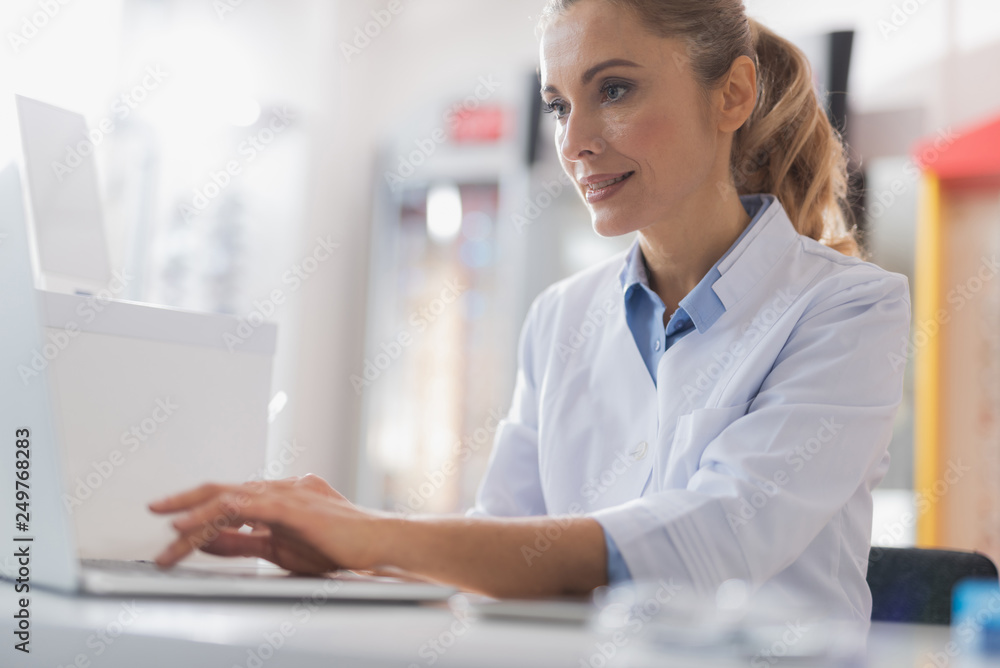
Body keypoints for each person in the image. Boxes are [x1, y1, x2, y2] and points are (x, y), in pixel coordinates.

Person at [150, 0, 910, 622]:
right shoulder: (561, 315)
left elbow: (712, 542)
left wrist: (380, 536)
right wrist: (355, 552)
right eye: (558, 104)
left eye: (614, 90)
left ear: (733, 94)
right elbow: (499, 551)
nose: (574, 141)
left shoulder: (847, 310)